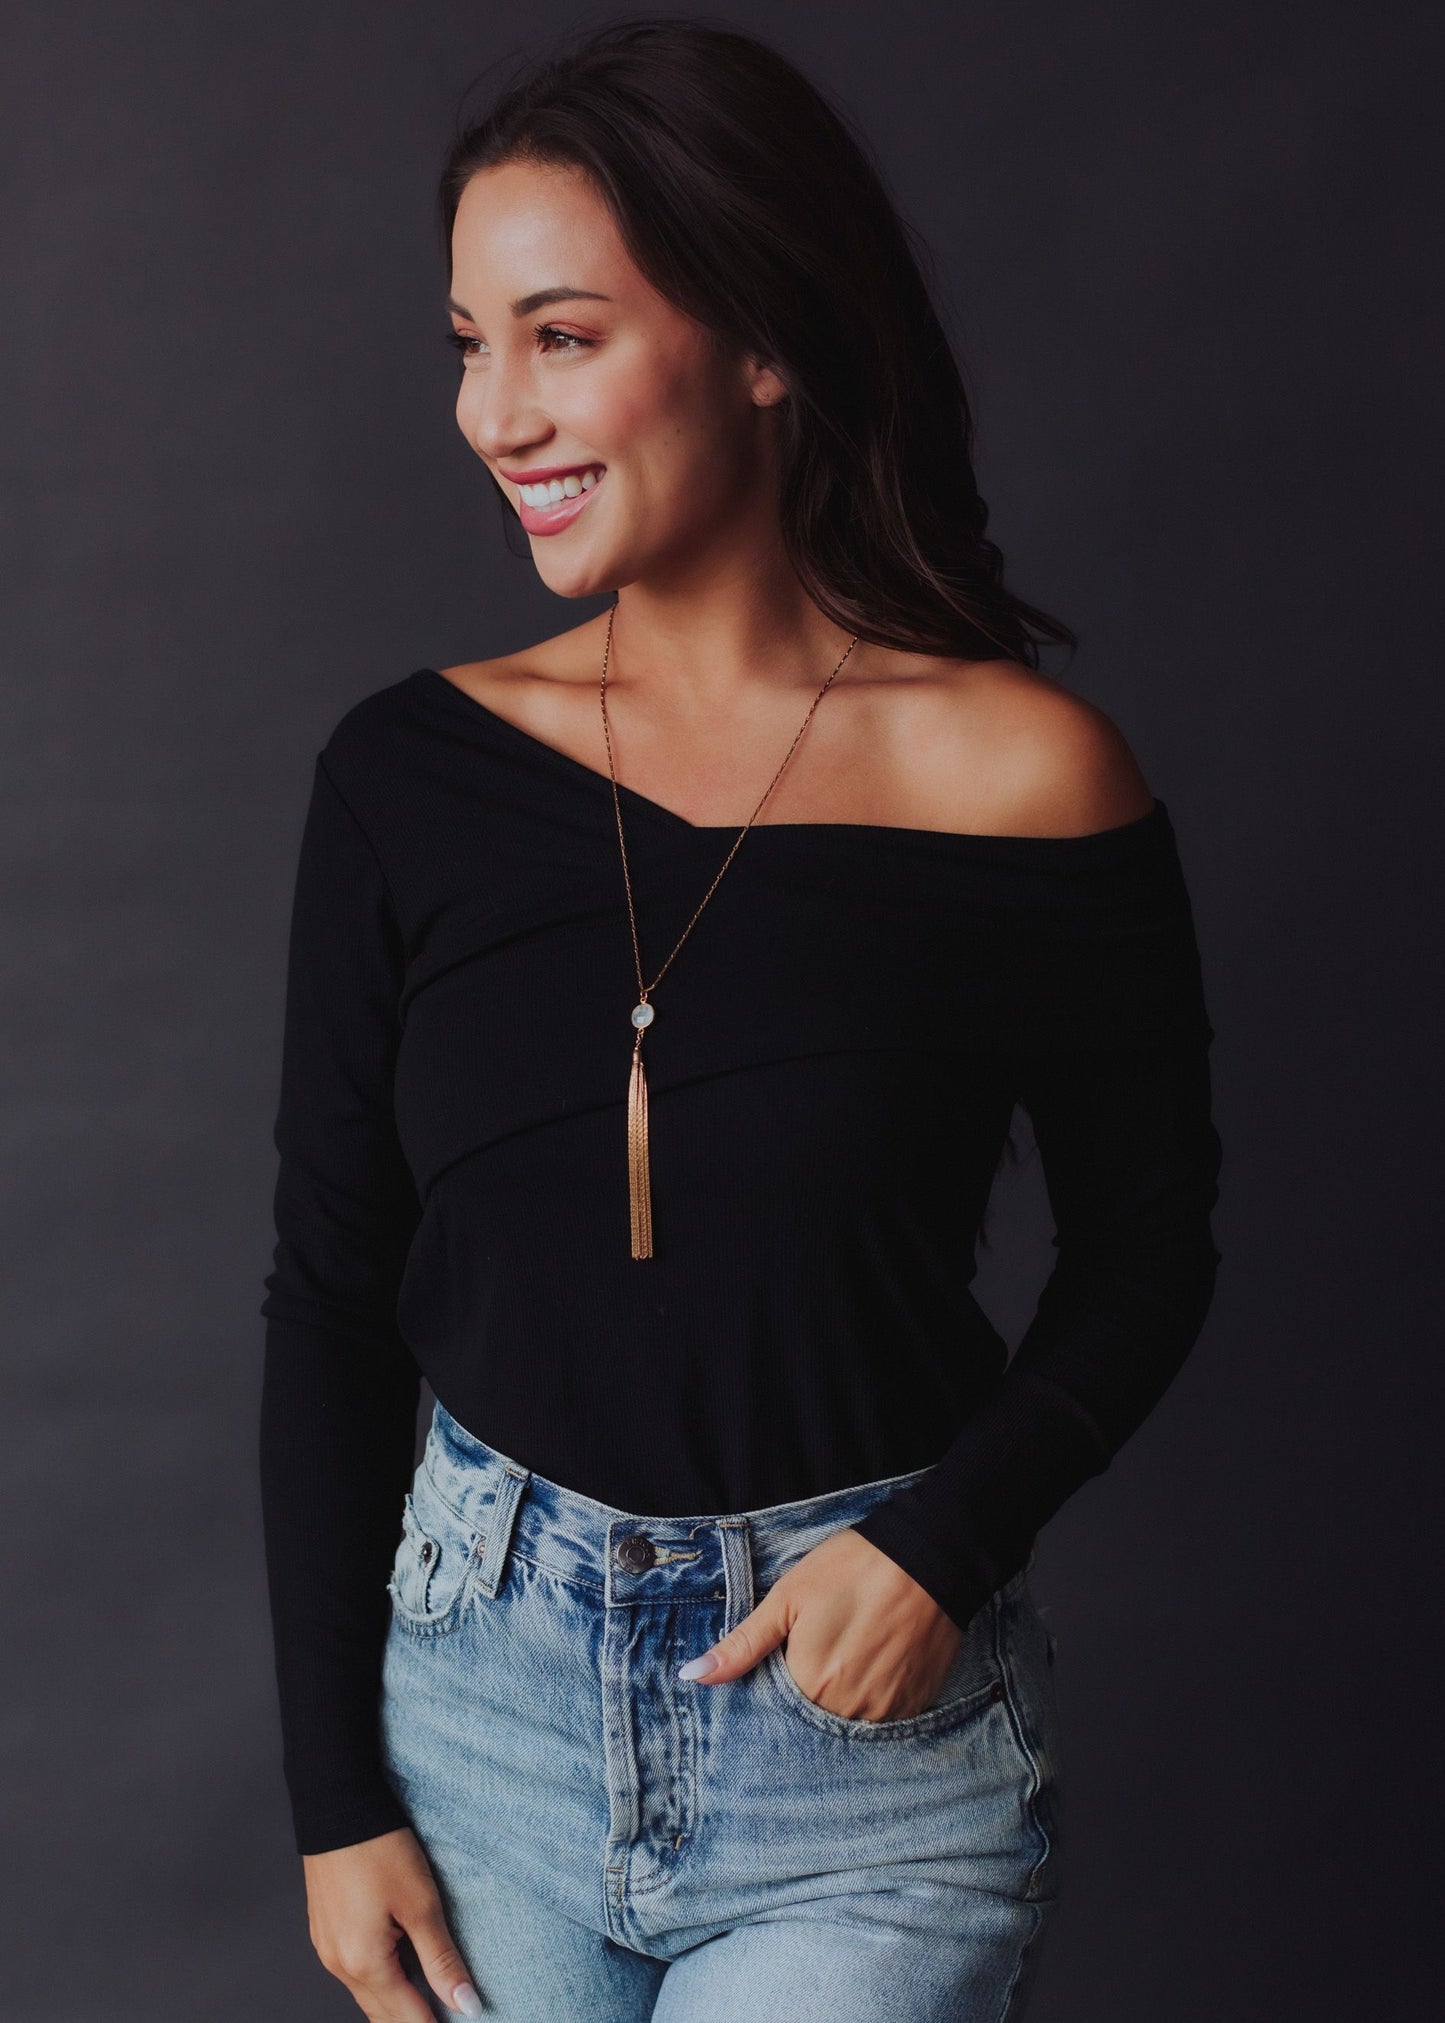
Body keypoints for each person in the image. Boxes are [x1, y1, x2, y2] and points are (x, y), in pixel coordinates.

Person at [258, 18, 1223, 2021]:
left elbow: (1150, 1249)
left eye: (563, 337)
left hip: (857, 1743)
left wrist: (946, 1543)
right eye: (470, 343)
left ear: (766, 339)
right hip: (480, 1712)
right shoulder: (407, 778)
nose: (494, 412)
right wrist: (334, 1803)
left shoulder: (1023, 778)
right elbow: (333, 1296)